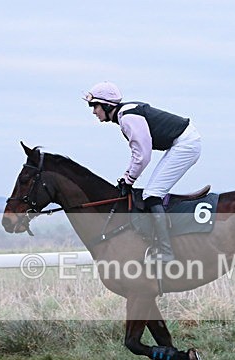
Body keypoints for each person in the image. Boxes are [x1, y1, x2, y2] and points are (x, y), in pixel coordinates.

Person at [84, 81, 201, 263]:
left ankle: (166, 252)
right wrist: (127, 177)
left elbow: (143, 155)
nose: (93, 111)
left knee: (152, 194)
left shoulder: (127, 117)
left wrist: (128, 179)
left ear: (106, 105)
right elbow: (139, 154)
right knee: (151, 192)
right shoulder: (125, 114)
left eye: (95, 106)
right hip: (183, 142)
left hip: (185, 144)